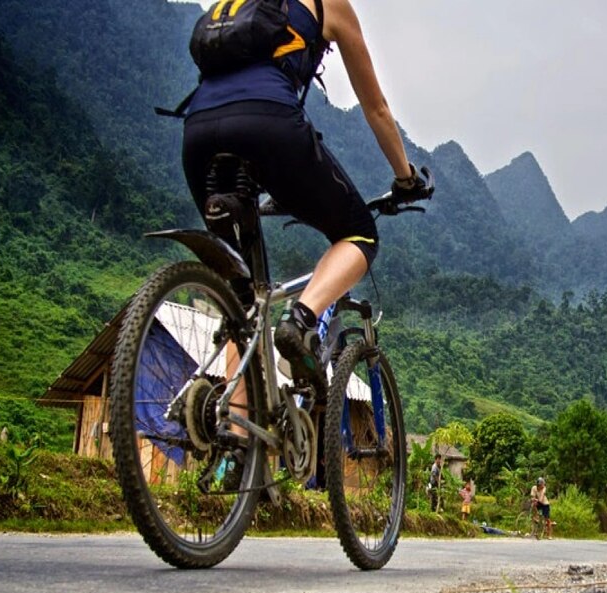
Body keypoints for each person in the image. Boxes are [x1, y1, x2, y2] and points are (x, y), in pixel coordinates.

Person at [181, 0, 430, 397]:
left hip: (197, 133)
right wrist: (406, 177)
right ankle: (298, 319)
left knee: (240, 301)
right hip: (269, 124)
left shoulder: (236, 5)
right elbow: (377, 108)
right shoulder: (329, 4)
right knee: (360, 235)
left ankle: (238, 436)